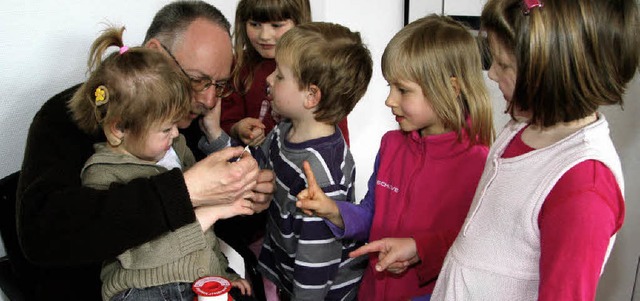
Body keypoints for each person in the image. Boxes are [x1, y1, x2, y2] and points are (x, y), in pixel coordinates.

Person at [352, 1, 638, 300]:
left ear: (552, 72)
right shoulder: (520, 130)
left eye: (503, 65)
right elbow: (483, 240)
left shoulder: (584, 189)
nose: (490, 74)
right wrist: (422, 249)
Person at [16, 1, 275, 299]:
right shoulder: (67, 119)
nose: (207, 99)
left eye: (219, 85)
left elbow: (215, 232)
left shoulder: (187, 125)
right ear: (156, 51)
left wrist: (249, 199)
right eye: (196, 80)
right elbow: (42, 235)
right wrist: (187, 189)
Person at [296, 15, 494, 301]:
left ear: (451, 88)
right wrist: (332, 210)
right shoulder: (391, 145)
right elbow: (370, 215)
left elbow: (476, 247)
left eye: (403, 90)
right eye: (390, 86)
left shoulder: (479, 163)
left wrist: (420, 248)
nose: (389, 100)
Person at [70, 26, 253, 301]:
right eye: (166, 129)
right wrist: (213, 212)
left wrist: (222, 273)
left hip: (196, 283)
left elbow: (204, 237)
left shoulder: (176, 149)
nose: (177, 134)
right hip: (140, 290)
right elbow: (141, 256)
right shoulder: (102, 174)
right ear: (120, 128)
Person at [253, 22, 372, 300]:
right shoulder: (284, 130)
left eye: (280, 76)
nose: (269, 79)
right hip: (287, 273)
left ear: (311, 96)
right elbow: (254, 169)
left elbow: (317, 264)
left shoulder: (321, 175)